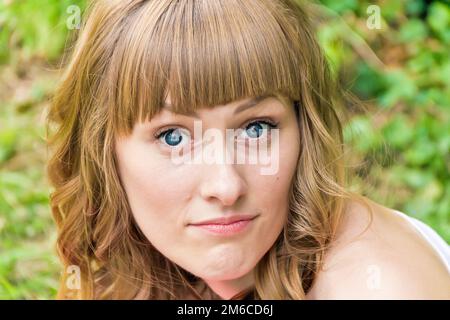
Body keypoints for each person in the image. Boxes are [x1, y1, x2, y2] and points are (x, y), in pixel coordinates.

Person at [47, 0, 450, 299]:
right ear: (104, 153)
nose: (225, 185)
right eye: (174, 137)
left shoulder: (376, 286)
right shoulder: (146, 263)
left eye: (256, 128)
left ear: (303, 129)